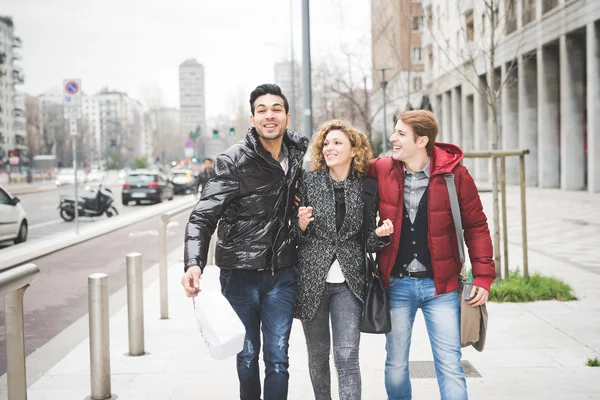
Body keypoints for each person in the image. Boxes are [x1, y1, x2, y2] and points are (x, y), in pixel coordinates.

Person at [181, 83, 308, 400]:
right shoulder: (233, 160)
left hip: (284, 273)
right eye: (262, 110)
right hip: (239, 274)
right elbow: (203, 216)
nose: (270, 116)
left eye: (276, 109)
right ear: (252, 119)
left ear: (287, 117)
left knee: (278, 359)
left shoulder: (301, 157)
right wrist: (193, 263)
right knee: (248, 355)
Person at [369, 110, 496, 400]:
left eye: (401, 134)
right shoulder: (382, 169)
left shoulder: (455, 176)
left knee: (449, 364)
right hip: (397, 285)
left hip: (442, 287)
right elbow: (343, 172)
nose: (393, 138)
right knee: (396, 365)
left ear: (422, 140)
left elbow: (476, 226)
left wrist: (484, 275)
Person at [295, 120, 394, 400]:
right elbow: (293, 238)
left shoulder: (366, 187)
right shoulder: (308, 181)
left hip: (349, 283)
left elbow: (367, 242)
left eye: (338, 142)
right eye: (326, 143)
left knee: (347, 355)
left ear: (353, 150)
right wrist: (300, 225)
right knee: (317, 354)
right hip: (311, 281)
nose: (330, 147)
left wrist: (380, 235)